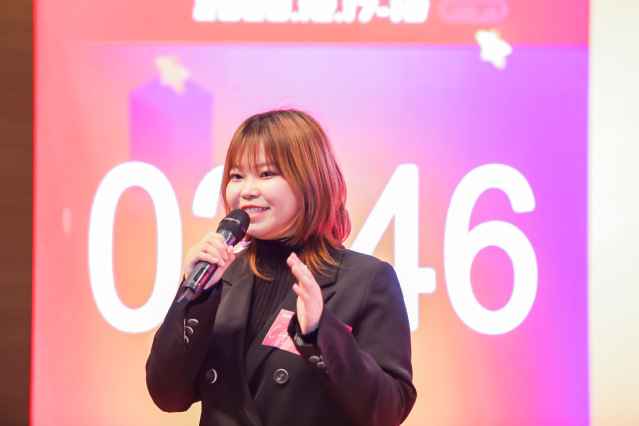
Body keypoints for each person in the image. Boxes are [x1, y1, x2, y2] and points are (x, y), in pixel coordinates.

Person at [146, 109, 417, 425]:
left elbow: (389, 409)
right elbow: (167, 395)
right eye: (236, 176)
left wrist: (319, 334)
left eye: (266, 174)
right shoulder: (223, 276)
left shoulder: (365, 280)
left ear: (310, 181)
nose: (246, 190)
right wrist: (196, 298)